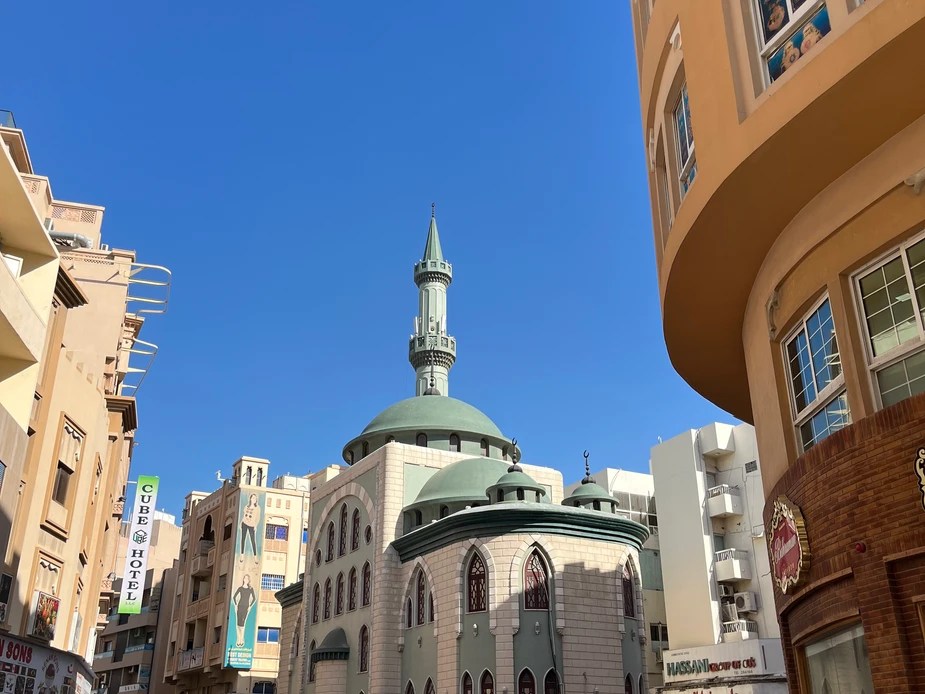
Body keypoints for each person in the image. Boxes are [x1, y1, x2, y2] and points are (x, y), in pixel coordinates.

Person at [231, 574, 256, 647]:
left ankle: (241, 639)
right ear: (243, 580)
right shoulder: (240, 588)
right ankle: (238, 639)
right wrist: (235, 605)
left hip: (246, 607)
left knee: (242, 624)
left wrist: (250, 606)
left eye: (247, 579)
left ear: (249, 580)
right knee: (238, 624)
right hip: (240, 606)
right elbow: (234, 597)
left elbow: (254, 598)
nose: (246, 580)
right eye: (245, 578)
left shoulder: (250, 589)